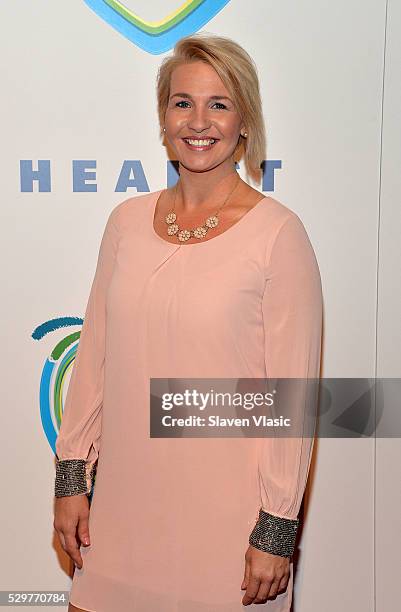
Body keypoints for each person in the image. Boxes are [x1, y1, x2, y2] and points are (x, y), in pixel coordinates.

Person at [53, 32, 323, 612]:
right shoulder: (125, 221)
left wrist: (276, 528)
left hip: (228, 531)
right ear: (163, 116)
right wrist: (72, 476)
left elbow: (290, 398)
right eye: (183, 102)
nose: (199, 121)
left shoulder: (279, 234)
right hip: (119, 515)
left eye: (219, 104)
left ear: (244, 120)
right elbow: (94, 357)